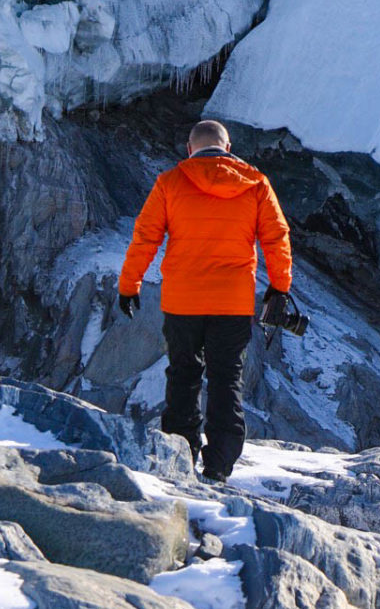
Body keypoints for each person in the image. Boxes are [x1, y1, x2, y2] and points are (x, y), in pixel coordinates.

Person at [118, 118, 293, 481]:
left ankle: (179, 457)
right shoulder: (256, 184)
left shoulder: (170, 183)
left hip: (183, 301)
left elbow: (145, 237)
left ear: (189, 149)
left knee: (184, 375)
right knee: (227, 379)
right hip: (232, 303)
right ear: (228, 149)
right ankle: (218, 468)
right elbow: (276, 238)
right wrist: (279, 288)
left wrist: (129, 284)